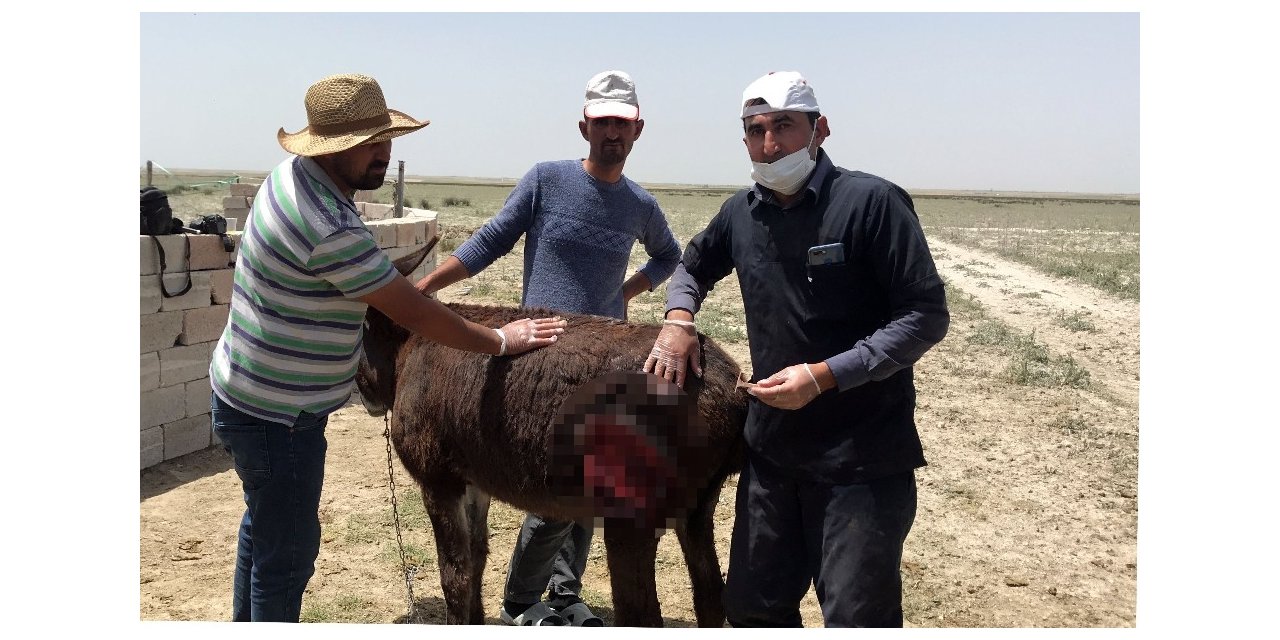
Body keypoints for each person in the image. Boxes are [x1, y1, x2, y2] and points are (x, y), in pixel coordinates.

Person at [208, 73, 567, 623]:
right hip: (279, 417)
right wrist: (499, 339)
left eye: (386, 139)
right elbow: (414, 312)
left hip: (248, 392)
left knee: (263, 532)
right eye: (368, 144)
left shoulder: (291, 177)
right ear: (331, 148)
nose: (384, 152)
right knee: (288, 556)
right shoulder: (329, 226)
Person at [644, 71, 949, 628]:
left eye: (784, 126)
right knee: (754, 609)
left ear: (820, 129)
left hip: (861, 458)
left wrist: (825, 375)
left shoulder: (871, 203)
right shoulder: (742, 212)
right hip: (773, 455)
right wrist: (679, 319)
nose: (769, 144)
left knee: (857, 616)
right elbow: (692, 266)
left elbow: (924, 316)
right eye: (755, 130)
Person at [415, 69, 681, 627]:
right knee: (554, 482)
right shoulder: (546, 181)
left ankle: (563, 593)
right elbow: (492, 240)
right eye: (603, 122)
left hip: (602, 358)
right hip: (538, 355)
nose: (613, 132)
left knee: (596, 479)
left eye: (623, 124)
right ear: (584, 126)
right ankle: (522, 599)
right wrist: (423, 291)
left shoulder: (640, 204)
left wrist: (627, 290)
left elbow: (668, 256)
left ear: (639, 132)